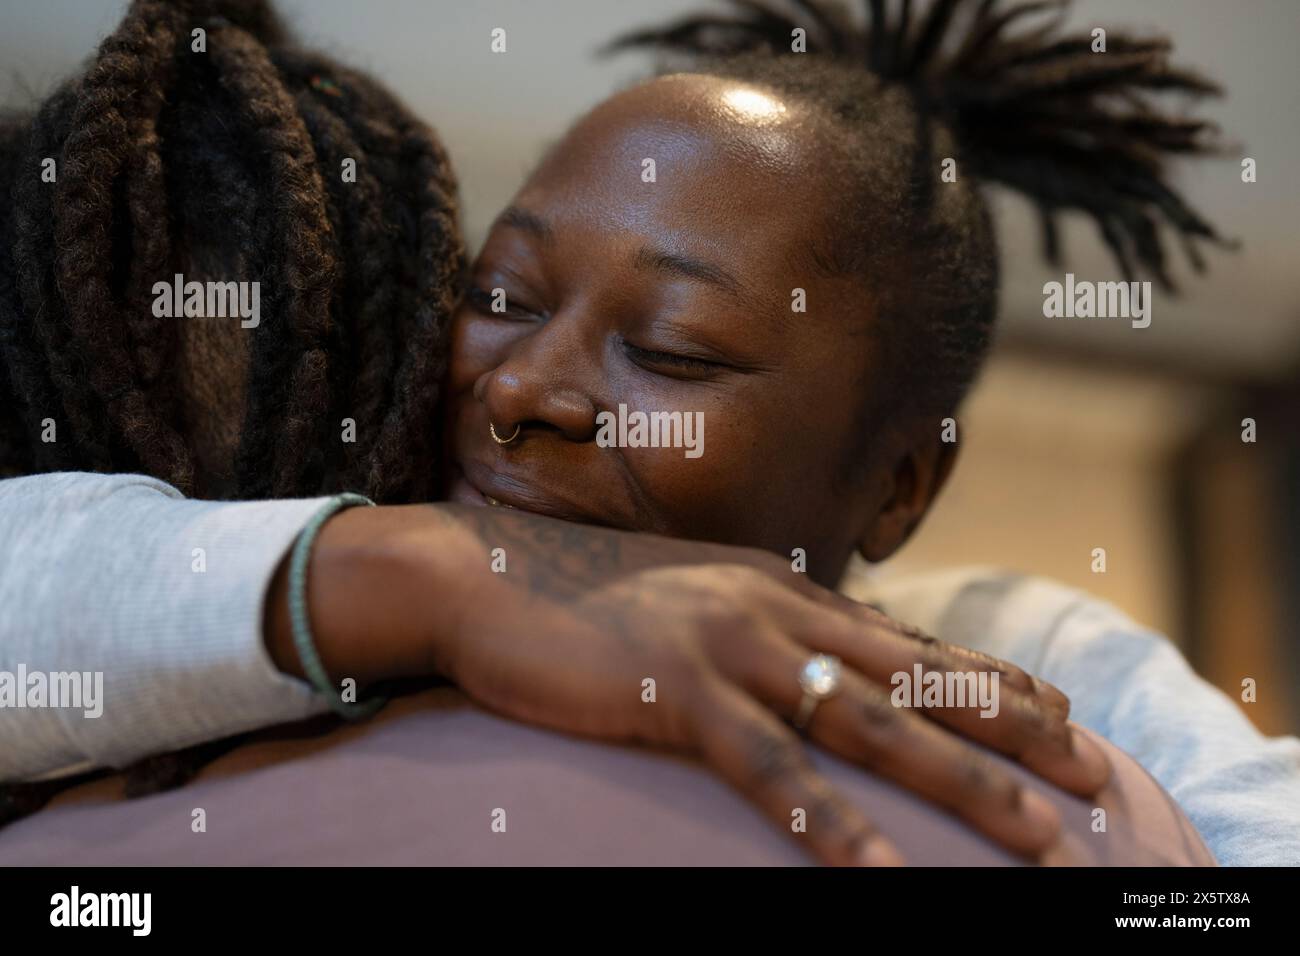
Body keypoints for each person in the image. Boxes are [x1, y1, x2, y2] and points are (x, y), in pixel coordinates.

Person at [2, 0, 1297, 866]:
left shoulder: (1015, 643)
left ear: (896, 487)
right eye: (501, 298)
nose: (526, 391)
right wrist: (435, 583)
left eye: (672, 350)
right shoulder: (320, 543)